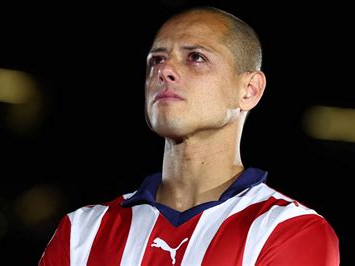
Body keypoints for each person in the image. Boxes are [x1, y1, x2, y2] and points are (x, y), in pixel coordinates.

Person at [39, 6, 339, 265]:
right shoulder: (83, 230)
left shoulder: (289, 229)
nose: (165, 70)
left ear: (249, 90)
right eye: (156, 60)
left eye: (196, 57)